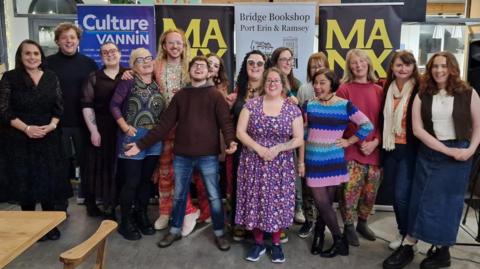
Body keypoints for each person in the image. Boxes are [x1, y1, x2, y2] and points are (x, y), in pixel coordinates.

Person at [125, 56, 237, 251]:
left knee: (214, 195)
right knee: (179, 195)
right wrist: (140, 145)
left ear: (209, 72)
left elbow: (225, 123)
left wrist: (230, 141)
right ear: (189, 71)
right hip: (182, 155)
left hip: (208, 155)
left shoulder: (215, 96)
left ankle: (220, 233)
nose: (200, 68)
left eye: (203, 66)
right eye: (195, 65)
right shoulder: (181, 96)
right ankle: (175, 230)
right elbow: (163, 125)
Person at [383, 51, 480, 269]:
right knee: (421, 200)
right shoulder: (422, 94)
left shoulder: (469, 93)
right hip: (430, 152)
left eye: (444, 66)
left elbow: (478, 125)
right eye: (435, 66)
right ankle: (409, 244)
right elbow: (417, 130)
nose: (439, 70)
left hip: (461, 155)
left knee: (448, 204)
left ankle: (442, 251)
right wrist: (447, 151)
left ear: (452, 68)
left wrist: (470, 150)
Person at [0, 39, 72, 240]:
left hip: (48, 136)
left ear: (41, 56)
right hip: (19, 138)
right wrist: (27, 129)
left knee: (49, 181)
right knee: (26, 182)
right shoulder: (9, 77)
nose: (32, 57)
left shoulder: (51, 77)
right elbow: (3, 110)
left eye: (36, 53)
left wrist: (52, 125)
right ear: (20, 57)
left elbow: (59, 106)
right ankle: (31, 226)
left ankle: (49, 225)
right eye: (27, 54)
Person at [299, 69, 373, 258]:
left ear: (332, 84)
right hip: (314, 161)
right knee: (322, 204)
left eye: (322, 82)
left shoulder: (345, 106)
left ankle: (321, 235)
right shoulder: (308, 105)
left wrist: (349, 141)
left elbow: (367, 125)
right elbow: (301, 133)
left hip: (334, 161)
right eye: (315, 83)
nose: (317, 86)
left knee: (326, 205)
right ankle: (339, 239)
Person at [235, 67, 303, 263]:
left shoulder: (292, 109)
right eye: (269, 81)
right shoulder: (251, 105)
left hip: (280, 164)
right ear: (264, 84)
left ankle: (276, 244)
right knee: (255, 201)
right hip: (253, 162)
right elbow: (241, 132)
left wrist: (278, 148)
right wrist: (259, 149)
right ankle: (258, 244)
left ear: (283, 84)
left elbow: (298, 139)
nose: (272, 84)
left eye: (276, 81)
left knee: (278, 203)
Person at [110, 48, 166, 241]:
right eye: (139, 60)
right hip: (132, 137)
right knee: (131, 181)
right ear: (133, 65)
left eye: (148, 58)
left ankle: (140, 215)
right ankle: (125, 222)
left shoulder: (158, 83)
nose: (145, 62)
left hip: (154, 138)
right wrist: (125, 127)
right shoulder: (128, 81)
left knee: (145, 181)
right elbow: (114, 105)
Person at [45, 22, 98, 211]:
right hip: (57, 123)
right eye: (64, 37)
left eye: (72, 37)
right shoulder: (47, 63)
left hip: (84, 124)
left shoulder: (89, 63)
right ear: (58, 41)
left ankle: (91, 202)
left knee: (87, 165)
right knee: (61, 166)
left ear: (78, 40)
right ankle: (61, 206)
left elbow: (96, 94)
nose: (69, 41)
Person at [335, 49, 383, 247]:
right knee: (350, 192)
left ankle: (362, 223)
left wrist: (375, 142)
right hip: (353, 149)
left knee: (370, 192)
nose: (358, 65)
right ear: (349, 67)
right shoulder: (344, 90)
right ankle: (348, 226)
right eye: (354, 62)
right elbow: (339, 121)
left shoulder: (379, 90)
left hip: (374, 149)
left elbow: (384, 121)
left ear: (369, 63)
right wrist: (356, 140)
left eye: (362, 61)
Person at [81, 42, 126, 219]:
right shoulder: (94, 77)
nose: (110, 54)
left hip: (123, 127)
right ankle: (104, 205)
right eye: (105, 52)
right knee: (100, 166)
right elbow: (87, 105)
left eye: (113, 51)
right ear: (101, 56)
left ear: (120, 54)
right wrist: (93, 131)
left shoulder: (129, 74)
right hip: (101, 127)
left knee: (120, 166)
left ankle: (118, 203)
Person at [380, 51, 420, 250]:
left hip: (409, 149)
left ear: (413, 67)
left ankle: (408, 236)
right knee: (393, 193)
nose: (403, 69)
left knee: (401, 195)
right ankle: (403, 231)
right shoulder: (388, 87)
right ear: (392, 68)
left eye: (407, 65)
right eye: (398, 65)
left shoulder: (419, 88)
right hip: (390, 147)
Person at [231, 50, 267, 241]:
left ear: (265, 67)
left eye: (259, 63)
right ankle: (241, 223)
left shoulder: (273, 88)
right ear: (245, 66)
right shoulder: (238, 91)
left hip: (266, 149)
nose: (255, 66)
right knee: (242, 185)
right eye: (251, 63)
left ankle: (268, 226)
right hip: (242, 148)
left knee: (265, 187)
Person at [296, 52, 330, 239]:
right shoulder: (304, 89)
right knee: (307, 186)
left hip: (326, 147)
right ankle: (309, 221)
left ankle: (322, 223)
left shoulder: (335, 89)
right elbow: (299, 118)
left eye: (320, 65)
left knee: (324, 189)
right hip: (308, 145)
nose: (316, 69)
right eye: (313, 66)